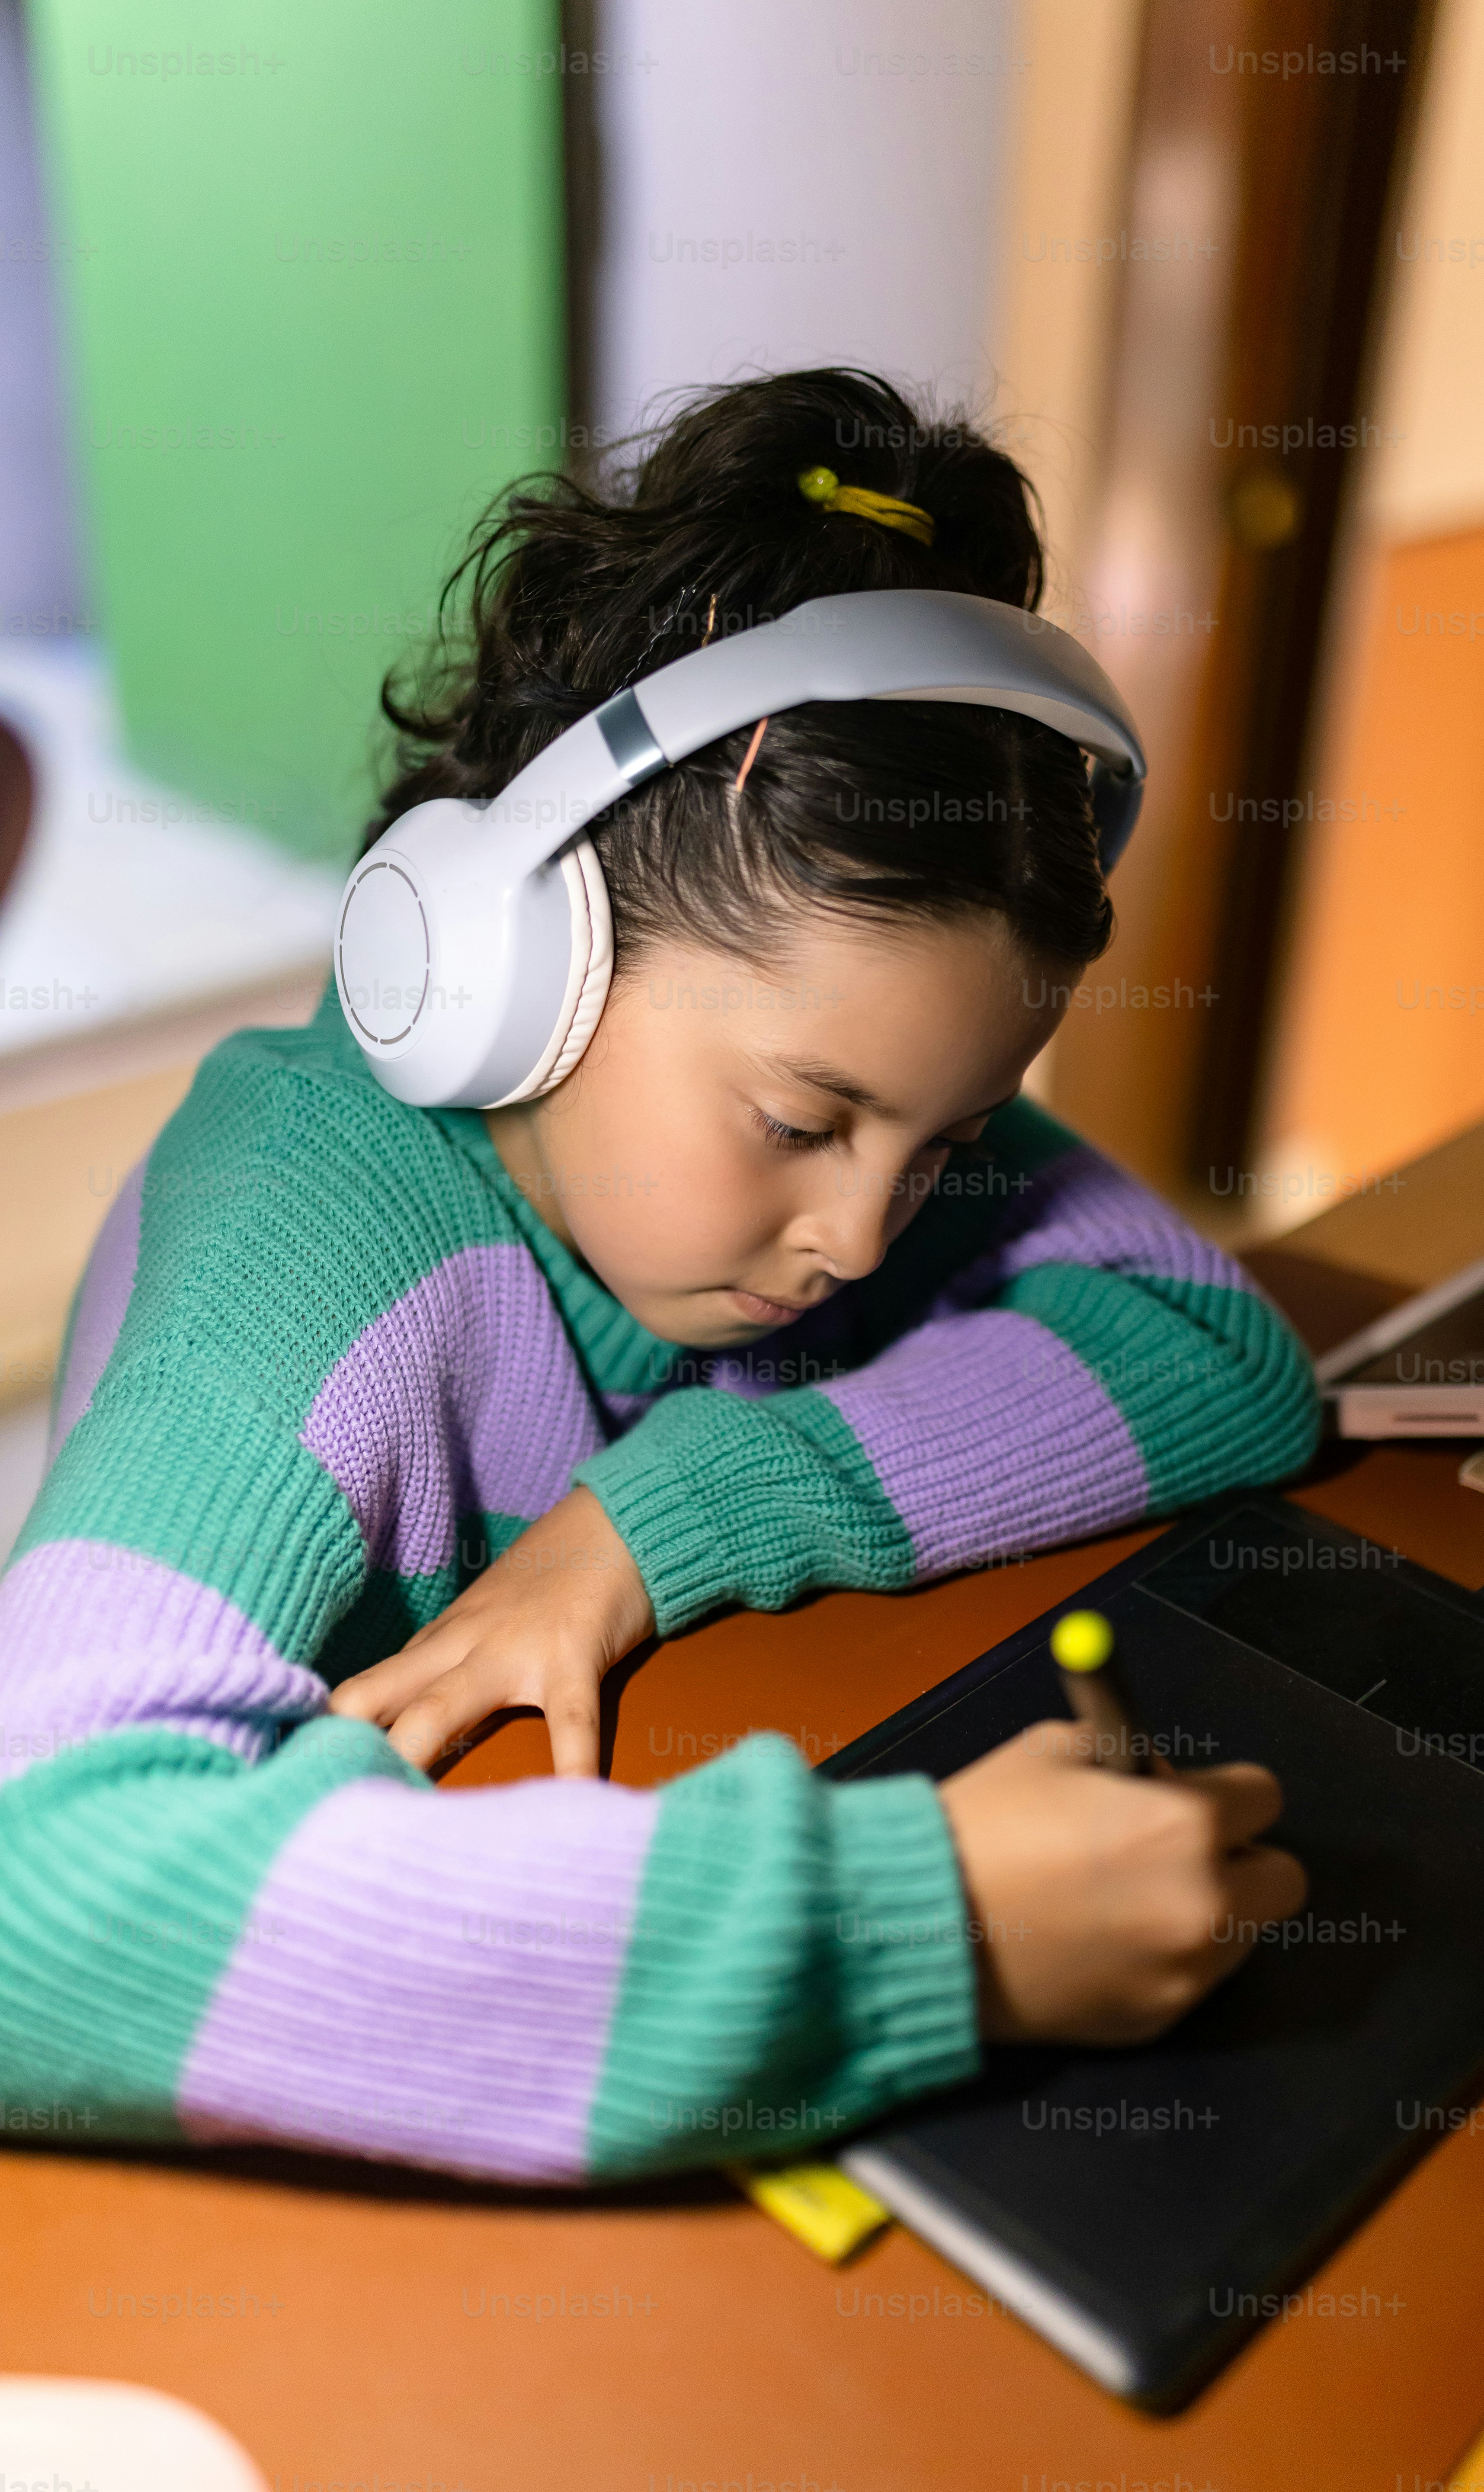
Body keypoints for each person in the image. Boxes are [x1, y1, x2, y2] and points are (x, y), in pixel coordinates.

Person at [0, 369, 1314, 2183]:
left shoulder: (855, 1083)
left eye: (941, 1145)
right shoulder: (305, 1233)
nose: (866, 1232)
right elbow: (37, 1890)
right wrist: (919, 1930)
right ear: (511, 961)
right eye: (801, 1120)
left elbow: (1217, 1348)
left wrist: (652, 1520)